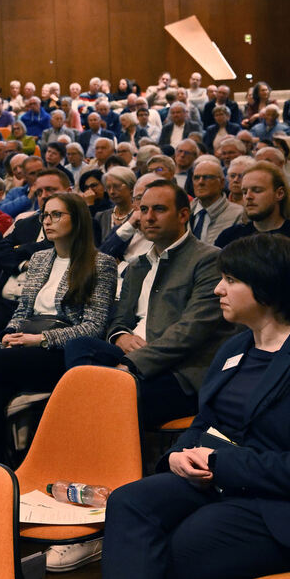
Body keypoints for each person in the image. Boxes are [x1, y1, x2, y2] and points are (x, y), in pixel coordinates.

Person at [103, 234, 290, 579]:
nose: (218, 290)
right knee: (128, 502)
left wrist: (220, 462)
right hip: (220, 482)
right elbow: (204, 422)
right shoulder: (236, 347)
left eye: (230, 280)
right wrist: (178, 456)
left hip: (284, 505)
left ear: (268, 287)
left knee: (184, 544)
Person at [66, 181, 233, 429]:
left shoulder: (209, 259)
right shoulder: (138, 265)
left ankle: (88, 432)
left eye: (159, 209)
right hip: (133, 354)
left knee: (103, 400)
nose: (149, 217)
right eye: (143, 210)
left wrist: (131, 364)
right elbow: (119, 319)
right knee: (80, 346)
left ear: (183, 215)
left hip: (179, 371)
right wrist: (120, 336)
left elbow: (191, 331)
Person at [0, 192, 117, 464]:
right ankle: (1, 456)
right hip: (26, 343)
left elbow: (93, 326)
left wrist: (40, 339)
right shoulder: (39, 259)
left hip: (62, 351)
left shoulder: (101, 264)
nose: (47, 221)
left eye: (56, 215)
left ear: (77, 219)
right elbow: (22, 310)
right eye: (45, 215)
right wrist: (10, 333)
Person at [215, 162, 290, 263]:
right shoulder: (229, 237)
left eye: (257, 190)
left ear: (279, 193)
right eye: (245, 192)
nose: (248, 197)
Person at [187, 157, 244, 248]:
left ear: (222, 183)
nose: (200, 182)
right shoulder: (184, 211)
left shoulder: (238, 214)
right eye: (196, 178)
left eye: (207, 177)